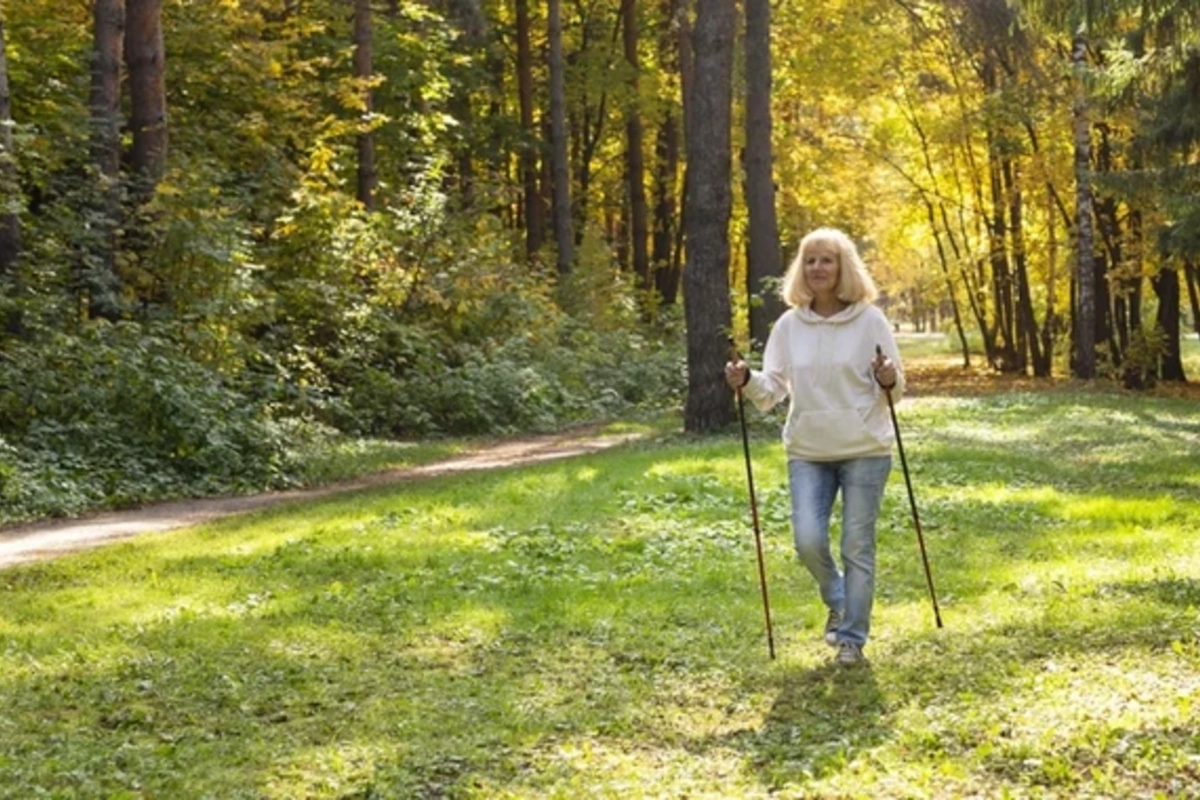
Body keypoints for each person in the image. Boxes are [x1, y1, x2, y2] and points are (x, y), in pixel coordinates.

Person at [725, 227, 904, 666]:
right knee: (807, 540)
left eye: (827, 260)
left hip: (865, 447)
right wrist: (746, 381)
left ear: (843, 267)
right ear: (800, 270)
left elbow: (895, 391)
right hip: (808, 450)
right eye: (809, 260)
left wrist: (887, 379)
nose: (818, 268)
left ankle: (851, 639)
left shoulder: (870, 320)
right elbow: (773, 390)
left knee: (856, 545)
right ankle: (838, 598)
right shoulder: (789, 325)